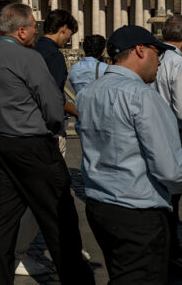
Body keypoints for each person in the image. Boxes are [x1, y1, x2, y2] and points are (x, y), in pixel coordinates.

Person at [0, 3, 94, 284]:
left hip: (1, 143)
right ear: (21, 31)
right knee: (59, 218)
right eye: (33, 27)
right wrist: (54, 128)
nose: (35, 32)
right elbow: (53, 105)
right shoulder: (28, 58)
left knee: (3, 222)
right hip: (33, 145)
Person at [77, 25, 182, 284]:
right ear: (140, 50)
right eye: (157, 54)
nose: (159, 63)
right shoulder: (143, 96)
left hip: (100, 204)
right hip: (138, 210)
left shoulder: (87, 93)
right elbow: (170, 168)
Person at [153, 14, 182, 269]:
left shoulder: (157, 59)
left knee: (166, 194)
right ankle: (172, 249)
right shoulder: (178, 63)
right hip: (177, 131)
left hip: (157, 130)